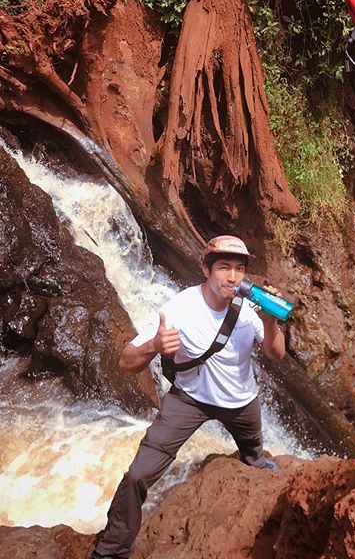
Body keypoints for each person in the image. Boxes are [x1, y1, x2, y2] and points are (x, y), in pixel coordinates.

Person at [90, 235, 286, 559]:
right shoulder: (180, 308)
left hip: (241, 403)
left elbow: (276, 354)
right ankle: (112, 549)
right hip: (188, 401)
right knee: (137, 475)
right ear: (206, 269)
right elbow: (126, 361)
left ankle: (255, 459)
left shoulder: (252, 309)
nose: (232, 276)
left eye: (239, 269)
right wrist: (154, 345)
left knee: (255, 458)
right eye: (224, 267)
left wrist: (271, 321)